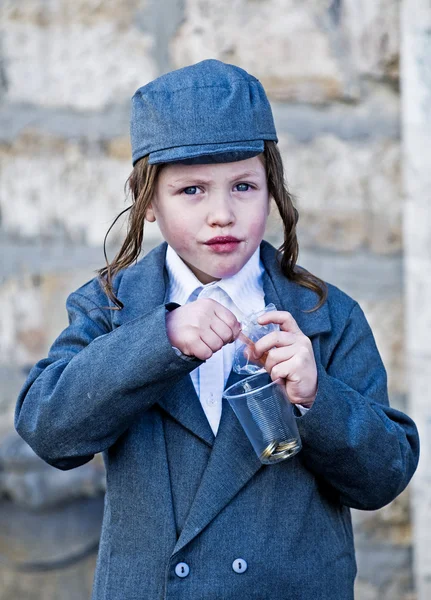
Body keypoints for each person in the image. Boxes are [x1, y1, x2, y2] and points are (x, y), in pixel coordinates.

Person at [15, 59, 419, 600]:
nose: (222, 214)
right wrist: (160, 341)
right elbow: (48, 430)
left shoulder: (326, 315)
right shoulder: (110, 308)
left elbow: (384, 477)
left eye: (244, 186)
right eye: (192, 191)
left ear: (272, 189)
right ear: (148, 200)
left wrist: (316, 398)